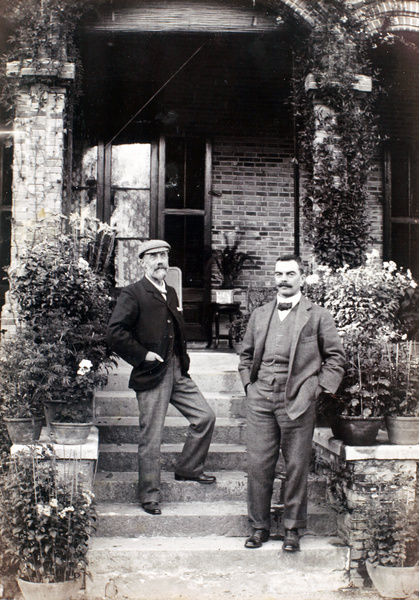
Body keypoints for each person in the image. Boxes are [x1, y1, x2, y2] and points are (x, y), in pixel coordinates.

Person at [238, 254, 345, 551]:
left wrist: (317, 389)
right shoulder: (260, 314)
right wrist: (249, 384)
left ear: (301, 277)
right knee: (259, 464)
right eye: (278, 274)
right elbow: (245, 355)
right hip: (260, 398)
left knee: (297, 465)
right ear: (274, 278)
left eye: (290, 273)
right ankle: (258, 527)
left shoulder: (318, 315)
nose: (283, 279)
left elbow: (336, 358)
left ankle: (292, 530)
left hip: (298, 399)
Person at [107, 239, 216, 516]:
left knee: (205, 417)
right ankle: (149, 494)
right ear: (142, 262)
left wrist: (181, 360)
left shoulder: (171, 292)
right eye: (153, 256)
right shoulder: (133, 293)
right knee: (152, 436)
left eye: (164, 255)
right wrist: (143, 355)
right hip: (152, 372)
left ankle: (189, 468)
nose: (160, 261)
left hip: (177, 369)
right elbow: (115, 332)